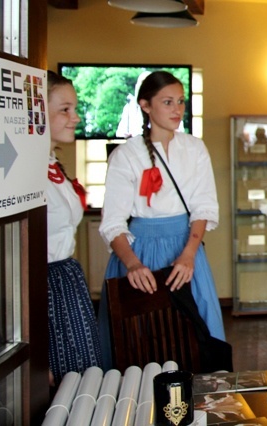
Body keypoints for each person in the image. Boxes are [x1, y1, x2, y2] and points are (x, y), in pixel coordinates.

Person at [97, 71, 225, 369]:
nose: (177, 110)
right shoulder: (126, 155)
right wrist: (132, 263)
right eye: (167, 102)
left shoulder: (194, 148)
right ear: (145, 105)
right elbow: (113, 223)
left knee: (195, 335)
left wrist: (189, 255)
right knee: (141, 342)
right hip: (140, 252)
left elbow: (204, 207)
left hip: (186, 251)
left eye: (180, 102)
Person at [45, 71, 102, 386]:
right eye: (64, 109)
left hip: (67, 280)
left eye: (75, 108)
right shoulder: (26, 173)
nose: (75, 117)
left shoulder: (52, 165)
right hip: (45, 286)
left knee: (82, 379)